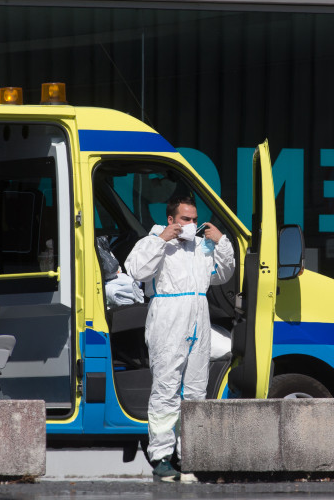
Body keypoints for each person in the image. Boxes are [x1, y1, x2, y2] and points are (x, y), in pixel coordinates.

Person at [124, 195, 235, 482]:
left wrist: (221, 242)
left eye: (194, 219)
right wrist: (163, 238)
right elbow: (136, 270)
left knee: (196, 390)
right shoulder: (153, 241)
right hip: (168, 317)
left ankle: (191, 455)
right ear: (171, 219)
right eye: (185, 219)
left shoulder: (201, 247)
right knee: (166, 389)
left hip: (198, 316)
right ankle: (162, 457)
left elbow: (223, 274)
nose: (192, 224)